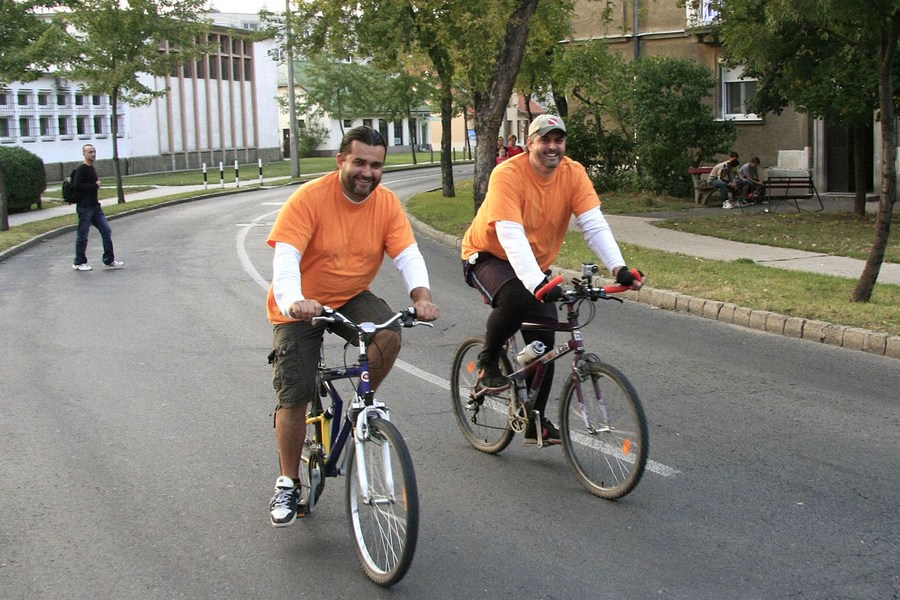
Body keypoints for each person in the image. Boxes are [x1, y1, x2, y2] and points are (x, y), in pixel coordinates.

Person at [265, 126, 440, 527]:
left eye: (376, 165)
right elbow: (286, 257)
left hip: (350, 295)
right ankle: (288, 481)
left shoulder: (386, 204)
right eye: (359, 162)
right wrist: (294, 300)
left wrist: (422, 296)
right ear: (341, 160)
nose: (367, 172)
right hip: (301, 304)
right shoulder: (309, 199)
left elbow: (407, 254)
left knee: (389, 334)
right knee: (294, 392)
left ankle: (361, 407)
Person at [460, 114, 642, 445]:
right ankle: (488, 359)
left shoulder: (573, 174)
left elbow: (593, 223)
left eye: (558, 140)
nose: (552, 147)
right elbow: (510, 234)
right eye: (545, 140)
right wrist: (535, 283)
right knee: (516, 297)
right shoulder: (508, 174)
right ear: (530, 143)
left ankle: (534, 422)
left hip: (533, 266)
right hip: (487, 255)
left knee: (544, 345)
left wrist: (619, 269)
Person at [72, 144, 124, 271]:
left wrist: (95, 186)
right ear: (84, 154)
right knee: (82, 235)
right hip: (85, 208)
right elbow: (77, 186)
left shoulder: (91, 168)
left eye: (94, 151)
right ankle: (79, 262)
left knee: (106, 231)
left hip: (95, 207)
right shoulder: (82, 169)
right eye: (90, 152)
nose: (93, 154)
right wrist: (95, 185)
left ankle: (109, 259)